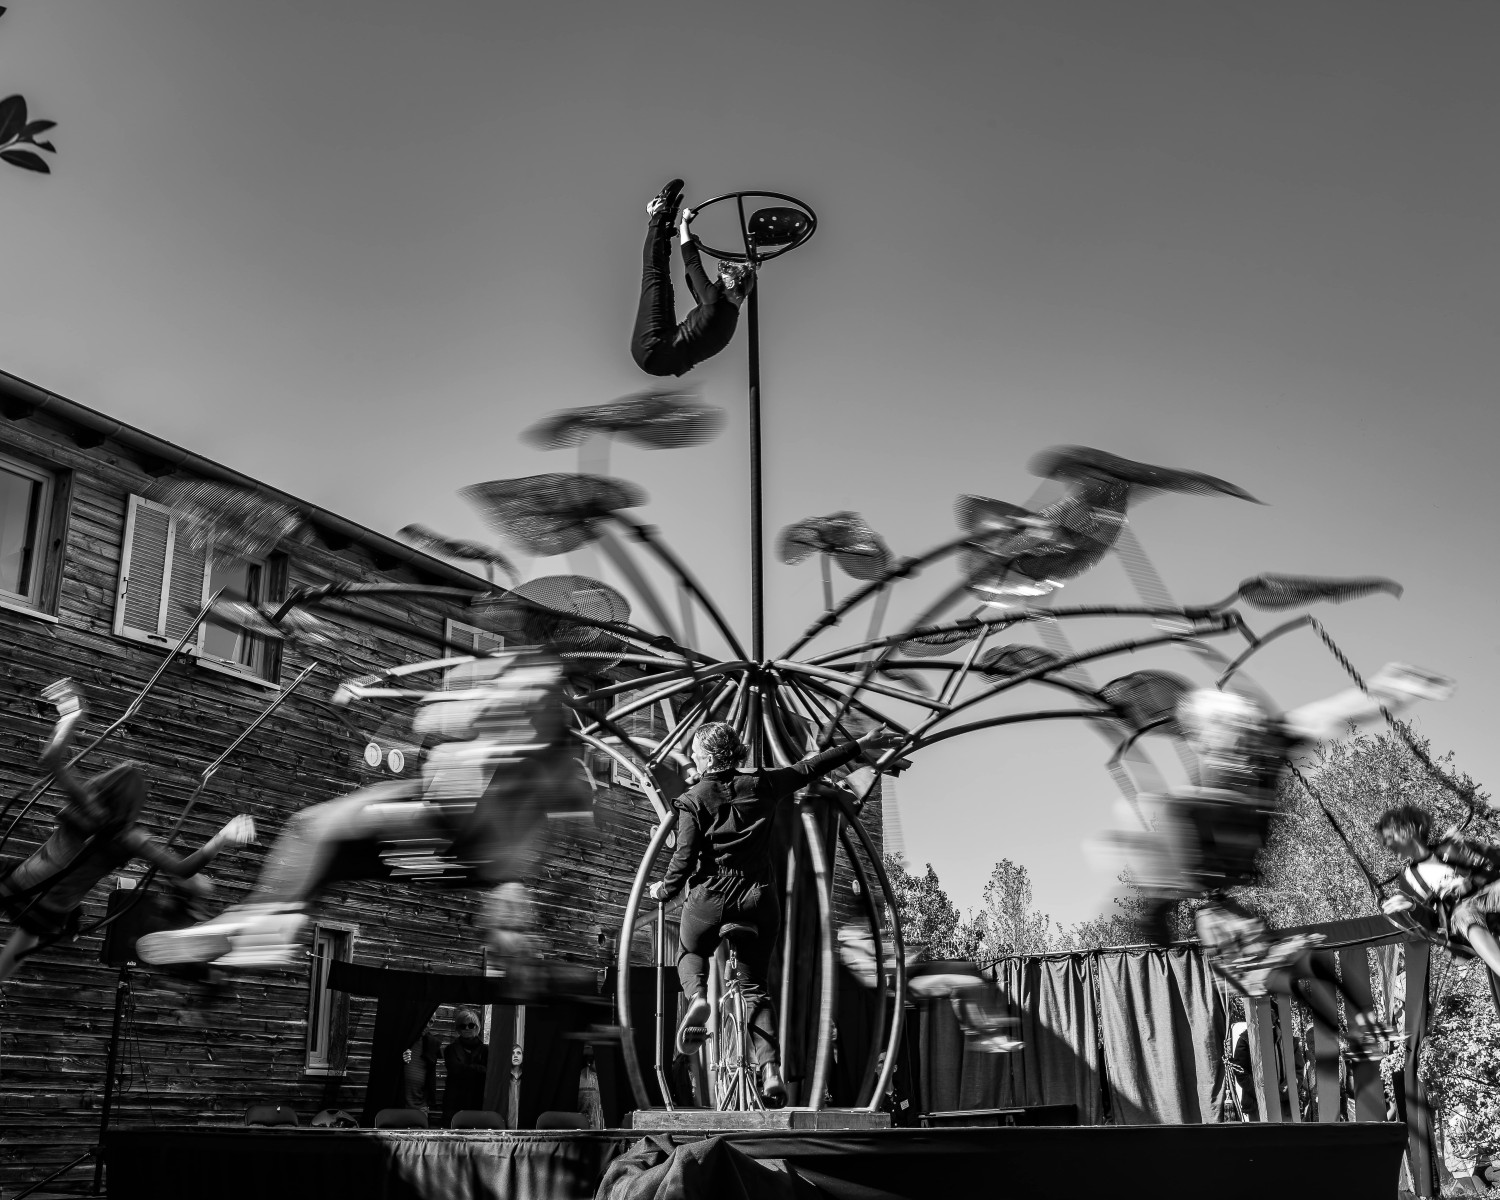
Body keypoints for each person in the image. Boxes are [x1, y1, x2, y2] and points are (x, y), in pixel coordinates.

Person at [138, 650, 587, 982]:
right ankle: (265, 922)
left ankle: (267, 922)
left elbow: (436, 726)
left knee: (315, 829)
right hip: (462, 853)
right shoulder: (551, 740)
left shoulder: (529, 708)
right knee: (332, 849)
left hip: (466, 835)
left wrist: (430, 707)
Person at [1120, 664, 1452, 1051]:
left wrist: (1386, 690)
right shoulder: (1249, 756)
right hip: (1230, 853)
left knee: (1177, 807)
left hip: (1229, 849)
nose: (1216, 749)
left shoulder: (1242, 759)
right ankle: (1360, 1028)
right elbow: (1330, 714)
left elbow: (1329, 714)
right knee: (1182, 808)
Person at [646, 720, 903, 1105]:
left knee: (691, 953)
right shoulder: (763, 784)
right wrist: (862, 743)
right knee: (755, 990)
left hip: (709, 899)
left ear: (709, 755)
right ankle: (771, 1071)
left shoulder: (692, 801)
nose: (694, 756)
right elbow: (811, 767)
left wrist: (662, 889)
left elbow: (682, 861)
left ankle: (697, 997)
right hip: (756, 900)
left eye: (697, 750)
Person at [0, 680, 255, 983]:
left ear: (106, 785)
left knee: (23, 926)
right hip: (52, 907)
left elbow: (51, 762)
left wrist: (69, 719)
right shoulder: (131, 838)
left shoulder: (88, 804)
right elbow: (182, 870)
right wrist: (220, 839)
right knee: (21, 945)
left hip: (26, 880)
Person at [630, 179, 756, 378]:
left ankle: (657, 213)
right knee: (663, 283)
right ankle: (664, 231)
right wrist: (685, 238)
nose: (718, 277)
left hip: (652, 346)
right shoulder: (727, 314)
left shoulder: (715, 301)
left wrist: (685, 224)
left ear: (731, 283)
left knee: (654, 274)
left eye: (722, 276)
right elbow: (693, 281)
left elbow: (692, 264)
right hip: (662, 353)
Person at [1378, 804, 1500, 978]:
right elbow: (1433, 925)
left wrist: (1472, 848)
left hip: (1489, 895)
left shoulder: (1450, 848)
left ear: (1410, 829)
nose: (1386, 842)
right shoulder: (1409, 879)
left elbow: (1495, 860)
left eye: (1390, 835)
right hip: (1463, 913)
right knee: (1464, 914)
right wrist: (1413, 906)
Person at [442, 1005, 488, 1125]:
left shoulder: (486, 1050)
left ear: (477, 1027)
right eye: (463, 1026)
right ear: (458, 1029)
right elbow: (454, 1070)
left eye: (471, 1025)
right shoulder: (450, 1049)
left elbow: (488, 1073)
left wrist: (464, 1069)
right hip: (454, 1104)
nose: (467, 1028)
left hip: (478, 1102)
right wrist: (478, 1068)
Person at [402, 1016, 441, 1118]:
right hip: (398, 1106)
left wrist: (426, 1105)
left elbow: (430, 1077)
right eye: (426, 1020)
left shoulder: (431, 1044)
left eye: (431, 1022)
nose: (428, 1025)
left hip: (420, 1108)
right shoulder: (402, 1040)